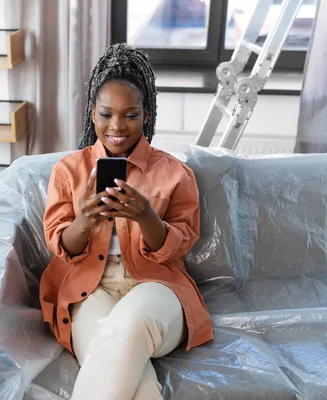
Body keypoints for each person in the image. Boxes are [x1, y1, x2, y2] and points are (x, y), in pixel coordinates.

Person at [40, 43, 213, 400]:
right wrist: (84, 221)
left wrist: (147, 217)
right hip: (91, 289)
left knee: (127, 327)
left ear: (146, 114)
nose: (116, 126)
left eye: (130, 115)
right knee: (134, 379)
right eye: (106, 114)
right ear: (92, 114)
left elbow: (179, 244)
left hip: (156, 286)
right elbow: (61, 247)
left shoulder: (175, 174)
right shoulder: (68, 171)